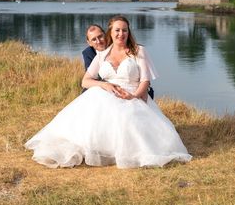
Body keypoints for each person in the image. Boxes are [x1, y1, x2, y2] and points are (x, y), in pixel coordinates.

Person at [25, 15, 191, 169]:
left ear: (128, 32)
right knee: (94, 114)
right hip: (106, 93)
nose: (121, 33)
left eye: (124, 30)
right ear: (111, 32)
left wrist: (133, 96)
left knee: (127, 119)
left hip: (132, 94)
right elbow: (85, 81)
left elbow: (145, 81)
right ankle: (93, 147)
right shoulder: (102, 55)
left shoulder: (138, 51)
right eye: (117, 30)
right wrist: (104, 86)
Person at [81, 23, 154, 98]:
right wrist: (106, 85)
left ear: (105, 35)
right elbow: (90, 79)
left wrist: (135, 95)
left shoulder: (122, 45)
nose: (98, 41)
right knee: (85, 93)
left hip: (133, 90)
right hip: (106, 91)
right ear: (89, 43)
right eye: (94, 39)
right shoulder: (88, 53)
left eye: (100, 36)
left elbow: (144, 78)